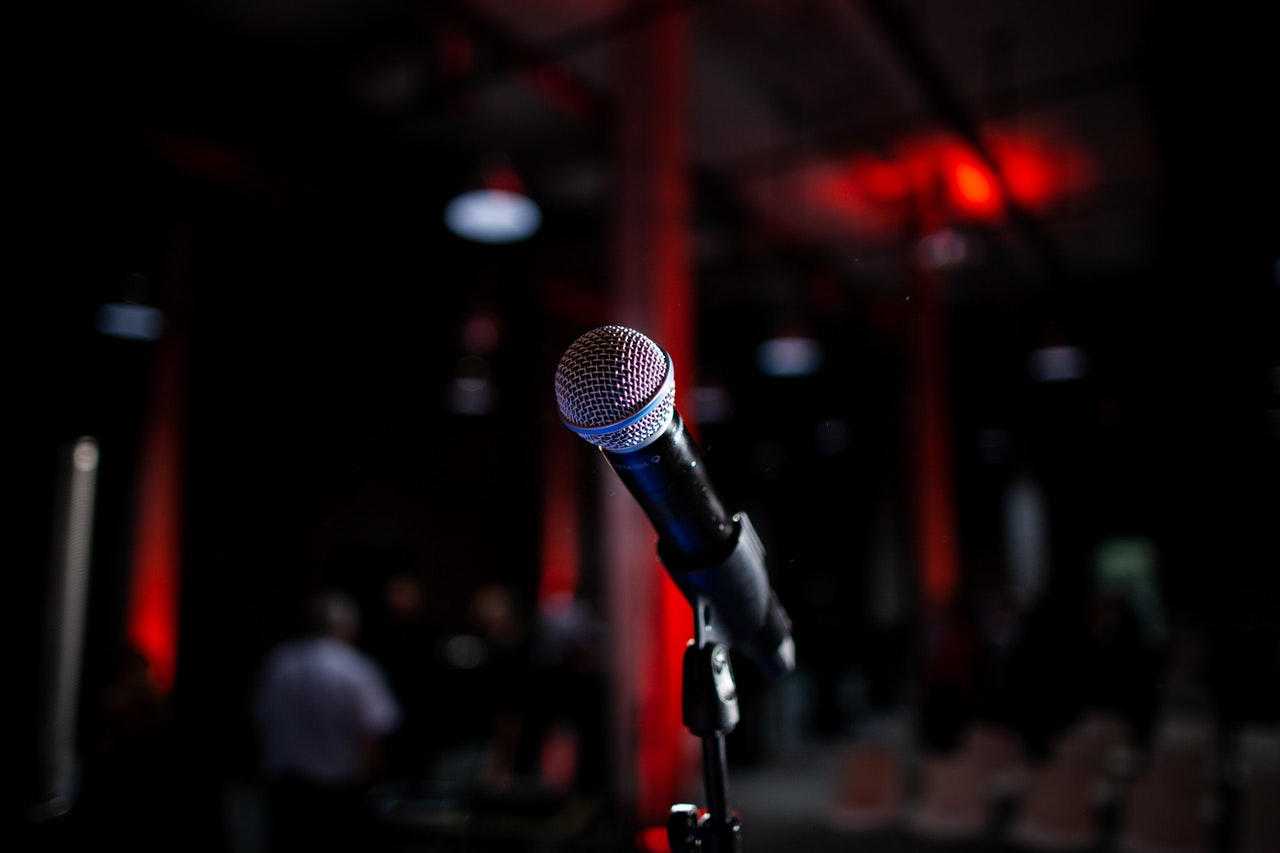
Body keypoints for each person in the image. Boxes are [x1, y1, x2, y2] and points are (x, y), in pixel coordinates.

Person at [252, 589, 401, 853]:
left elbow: (259, 719)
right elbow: (375, 731)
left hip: (288, 792)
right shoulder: (357, 668)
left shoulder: (279, 662)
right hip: (340, 795)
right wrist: (372, 781)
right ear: (345, 627)